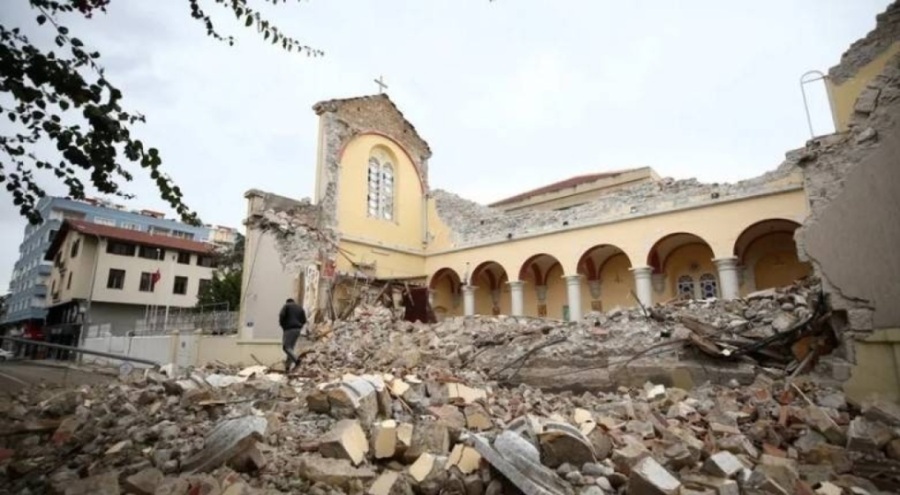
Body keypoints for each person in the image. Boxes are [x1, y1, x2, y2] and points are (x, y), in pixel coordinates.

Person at [279, 298, 307, 373]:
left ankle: (297, 360)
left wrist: (283, 326)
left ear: (287, 302)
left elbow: (281, 315)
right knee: (290, 348)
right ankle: (287, 368)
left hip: (289, 329)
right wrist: (300, 326)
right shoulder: (300, 308)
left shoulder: (286, 306)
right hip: (297, 330)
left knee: (286, 347)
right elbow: (304, 320)